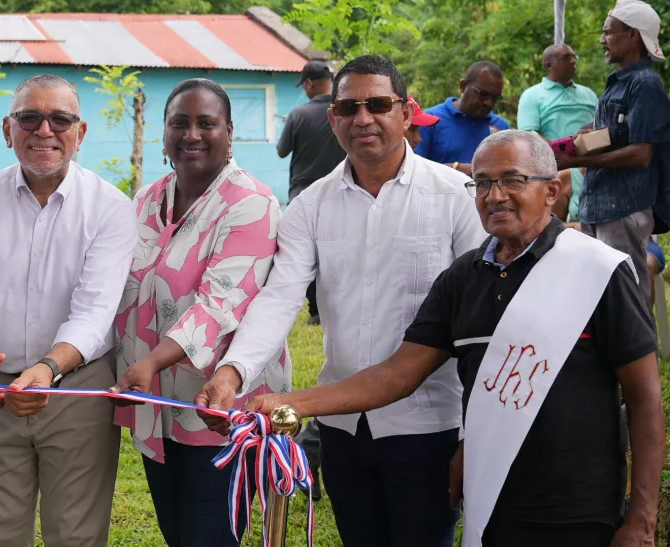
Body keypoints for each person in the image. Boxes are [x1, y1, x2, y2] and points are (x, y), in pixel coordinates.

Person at [241, 130, 664, 547]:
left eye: (513, 180)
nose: (494, 195)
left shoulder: (597, 270)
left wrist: (643, 520)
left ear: (551, 190)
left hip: (578, 510)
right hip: (490, 502)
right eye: (481, 183)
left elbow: (645, 398)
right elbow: (396, 375)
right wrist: (291, 403)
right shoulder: (462, 279)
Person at [196, 56, 485, 547]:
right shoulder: (310, 206)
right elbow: (280, 296)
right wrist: (232, 372)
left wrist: (473, 436)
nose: (363, 118)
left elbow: (480, 325)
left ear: (406, 112)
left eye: (378, 104)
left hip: (431, 424)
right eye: (348, 107)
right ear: (332, 119)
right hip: (343, 430)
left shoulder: (456, 196)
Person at [0, 74, 136, 547]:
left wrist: (49, 367)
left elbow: (94, 311)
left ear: (80, 132)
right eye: (30, 118)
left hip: (78, 389)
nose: (44, 130)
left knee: (76, 533)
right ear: (8, 130)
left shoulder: (111, 209)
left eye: (60, 119)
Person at [110, 78, 285, 547]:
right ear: (163, 134)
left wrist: (148, 362)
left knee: (209, 537)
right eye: (179, 123)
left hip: (218, 406)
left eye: (207, 124)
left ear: (229, 133)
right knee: (178, 532)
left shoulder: (252, 203)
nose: (192, 134)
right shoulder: (147, 200)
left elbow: (220, 303)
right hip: (156, 402)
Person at [557, 0, 670, 304]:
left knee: (626, 300)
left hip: (624, 209)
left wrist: (579, 159)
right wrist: (587, 138)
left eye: (609, 33)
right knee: (602, 300)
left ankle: (642, 353)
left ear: (633, 35)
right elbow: (617, 137)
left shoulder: (646, 84)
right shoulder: (617, 84)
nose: (602, 40)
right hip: (599, 208)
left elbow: (641, 153)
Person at [277, 59, 346, 326]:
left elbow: (282, 151)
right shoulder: (342, 111)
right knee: (338, 250)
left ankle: (316, 311)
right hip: (341, 188)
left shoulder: (298, 114)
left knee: (305, 253)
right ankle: (336, 306)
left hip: (303, 193)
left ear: (309, 83)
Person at [414, 61, 510, 172]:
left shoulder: (501, 127)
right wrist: (458, 169)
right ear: (463, 86)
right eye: (483, 94)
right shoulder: (431, 120)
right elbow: (416, 169)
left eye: (495, 98)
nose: (488, 103)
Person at [516, 43, 598, 142]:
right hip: (553, 155)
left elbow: (603, 124)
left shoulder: (589, 94)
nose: (573, 61)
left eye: (574, 57)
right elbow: (529, 136)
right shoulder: (531, 95)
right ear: (548, 65)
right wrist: (566, 145)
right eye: (566, 58)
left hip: (592, 154)